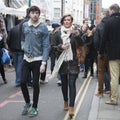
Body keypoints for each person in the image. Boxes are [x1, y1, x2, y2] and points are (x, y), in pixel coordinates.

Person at [20, 6, 49, 117]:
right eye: (33, 13)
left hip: (38, 59)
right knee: (23, 82)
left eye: (37, 13)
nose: (35, 15)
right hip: (26, 58)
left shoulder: (43, 27)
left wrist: (44, 63)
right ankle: (27, 103)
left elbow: (46, 45)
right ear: (29, 14)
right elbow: (22, 39)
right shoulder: (24, 25)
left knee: (36, 84)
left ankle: (35, 107)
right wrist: (23, 47)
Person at [51, 14, 81, 117]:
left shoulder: (75, 32)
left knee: (72, 84)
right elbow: (52, 47)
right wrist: (60, 47)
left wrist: (77, 35)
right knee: (64, 84)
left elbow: (82, 44)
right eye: (65, 20)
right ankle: (65, 102)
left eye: (69, 20)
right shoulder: (57, 33)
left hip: (73, 62)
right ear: (62, 21)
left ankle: (71, 107)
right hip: (62, 62)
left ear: (72, 21)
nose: (67, 22)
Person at [99, 4, 120, 105]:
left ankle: (114, 99)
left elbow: (104, 39)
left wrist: (101, 52)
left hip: (114, 54)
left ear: (111, 11)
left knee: (115, 77)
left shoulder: (108, 22)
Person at [94, 11, 110, 97]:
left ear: (104, 16)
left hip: (102, 52)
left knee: (101, 72)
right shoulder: (112, 24)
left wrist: (98, 51)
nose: (99, 17)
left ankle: (100, 92)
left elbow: (96, 41)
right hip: (112, 52)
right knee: (111, 72)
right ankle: (111, 91)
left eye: (100, 15)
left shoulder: (99, 26)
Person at [0, 17, 7, 84]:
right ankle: (4, 78)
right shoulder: (2, 32)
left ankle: (4, 78)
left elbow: (3, 42)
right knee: (1, 66)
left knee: (1, 66)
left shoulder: (2, 31)